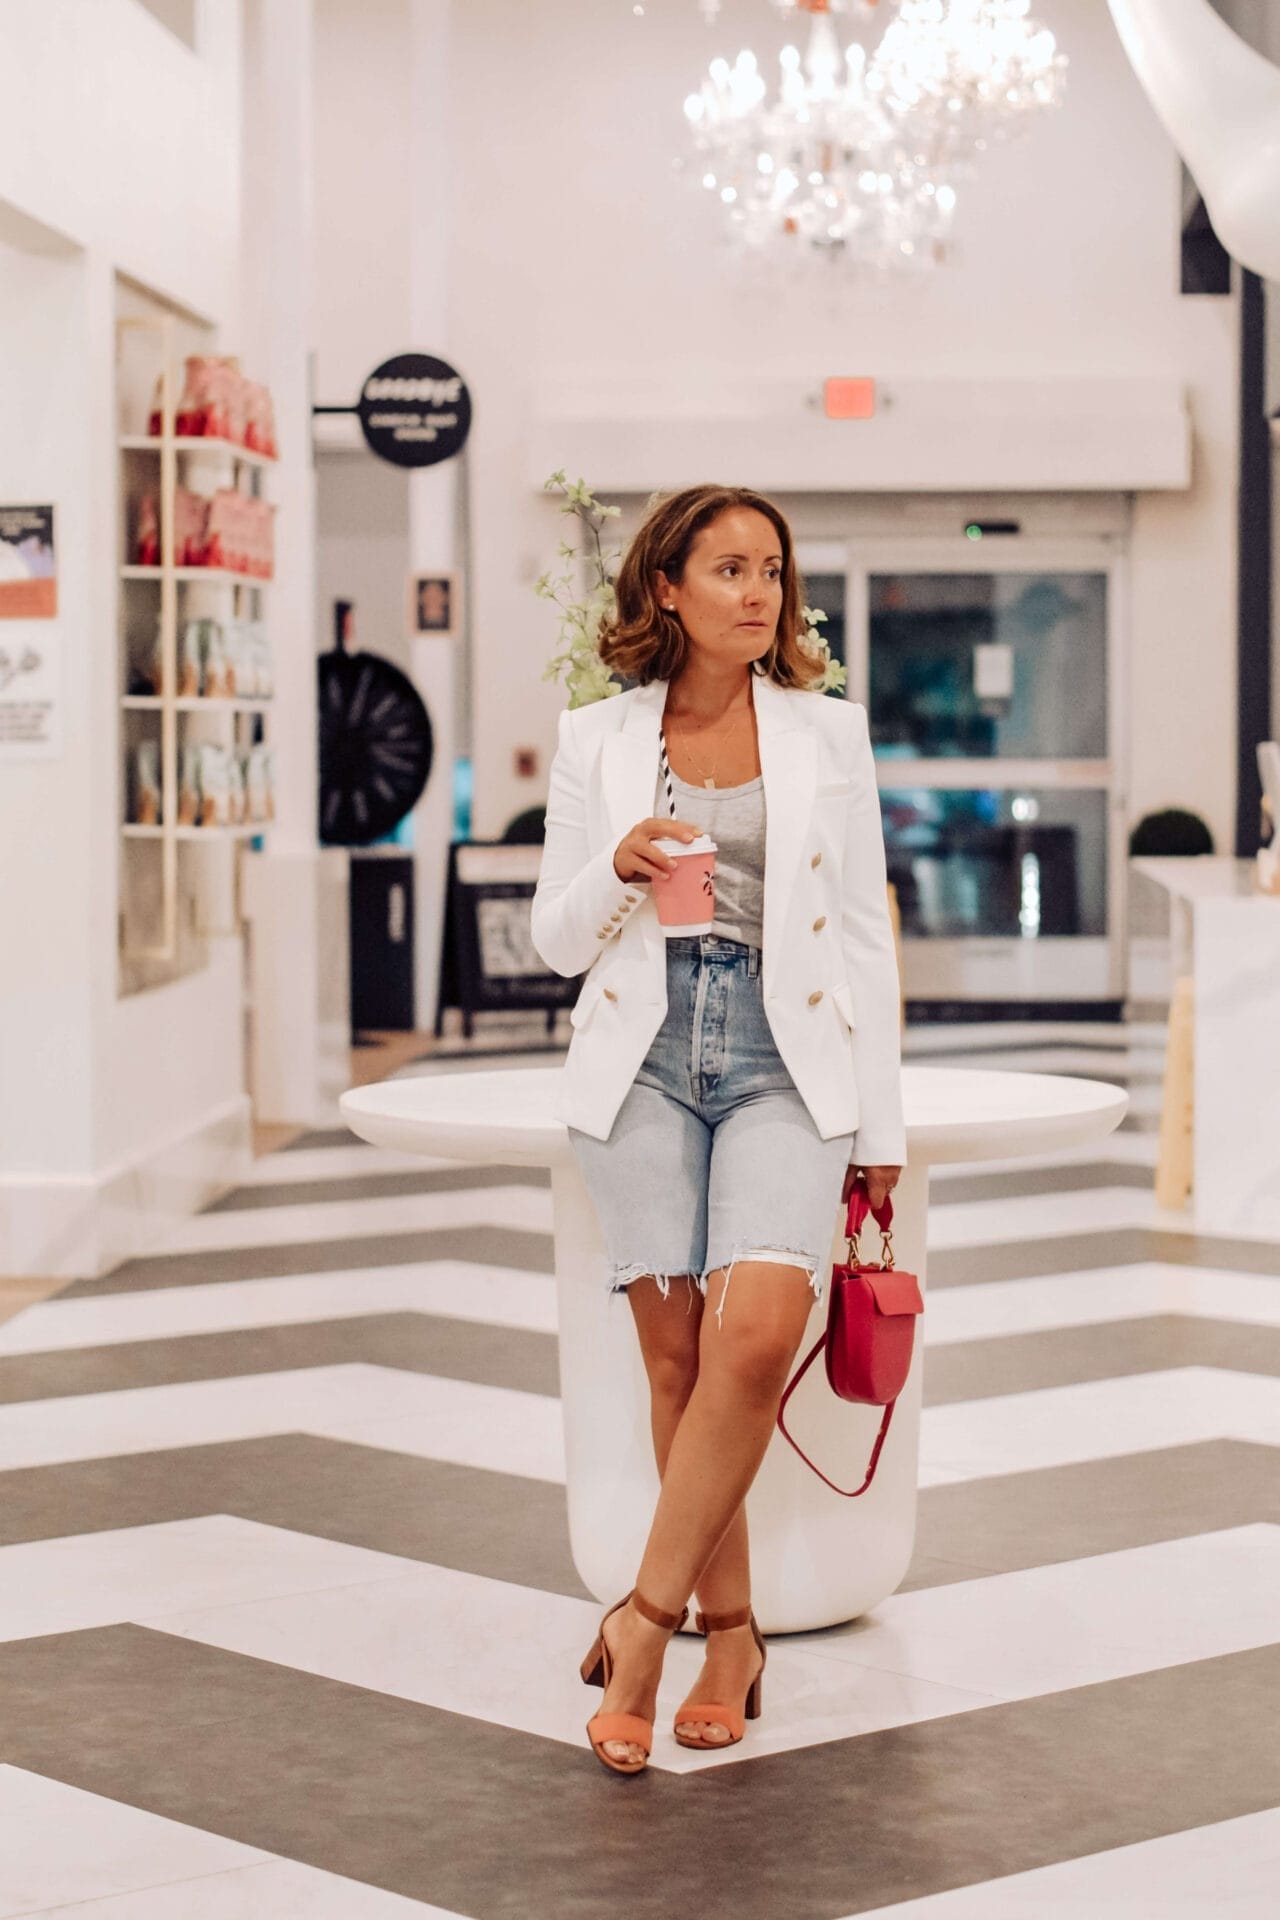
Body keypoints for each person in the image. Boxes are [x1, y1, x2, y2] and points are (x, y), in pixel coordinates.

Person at [530, 483, 905, 1775]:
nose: (759, 592)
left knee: (754, 1337)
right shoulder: (597, 738)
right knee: (677, 1366)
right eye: (731, 568)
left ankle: (642, 1623)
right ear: (669, 588)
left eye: (773, 570)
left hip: (782, 1057)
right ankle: (729, 1631)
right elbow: (554, 940)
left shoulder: (829, 735)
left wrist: (882, 1128)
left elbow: (864, 931)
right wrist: (618, 864)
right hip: (642, 1056)